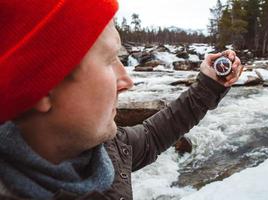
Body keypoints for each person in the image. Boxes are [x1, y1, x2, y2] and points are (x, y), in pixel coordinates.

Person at [0, 0, 243, 199]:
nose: (127, 81)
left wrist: (209, 85)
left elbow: (153, 136)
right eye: (109, 60)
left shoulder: (107, 149)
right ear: (43, 86)